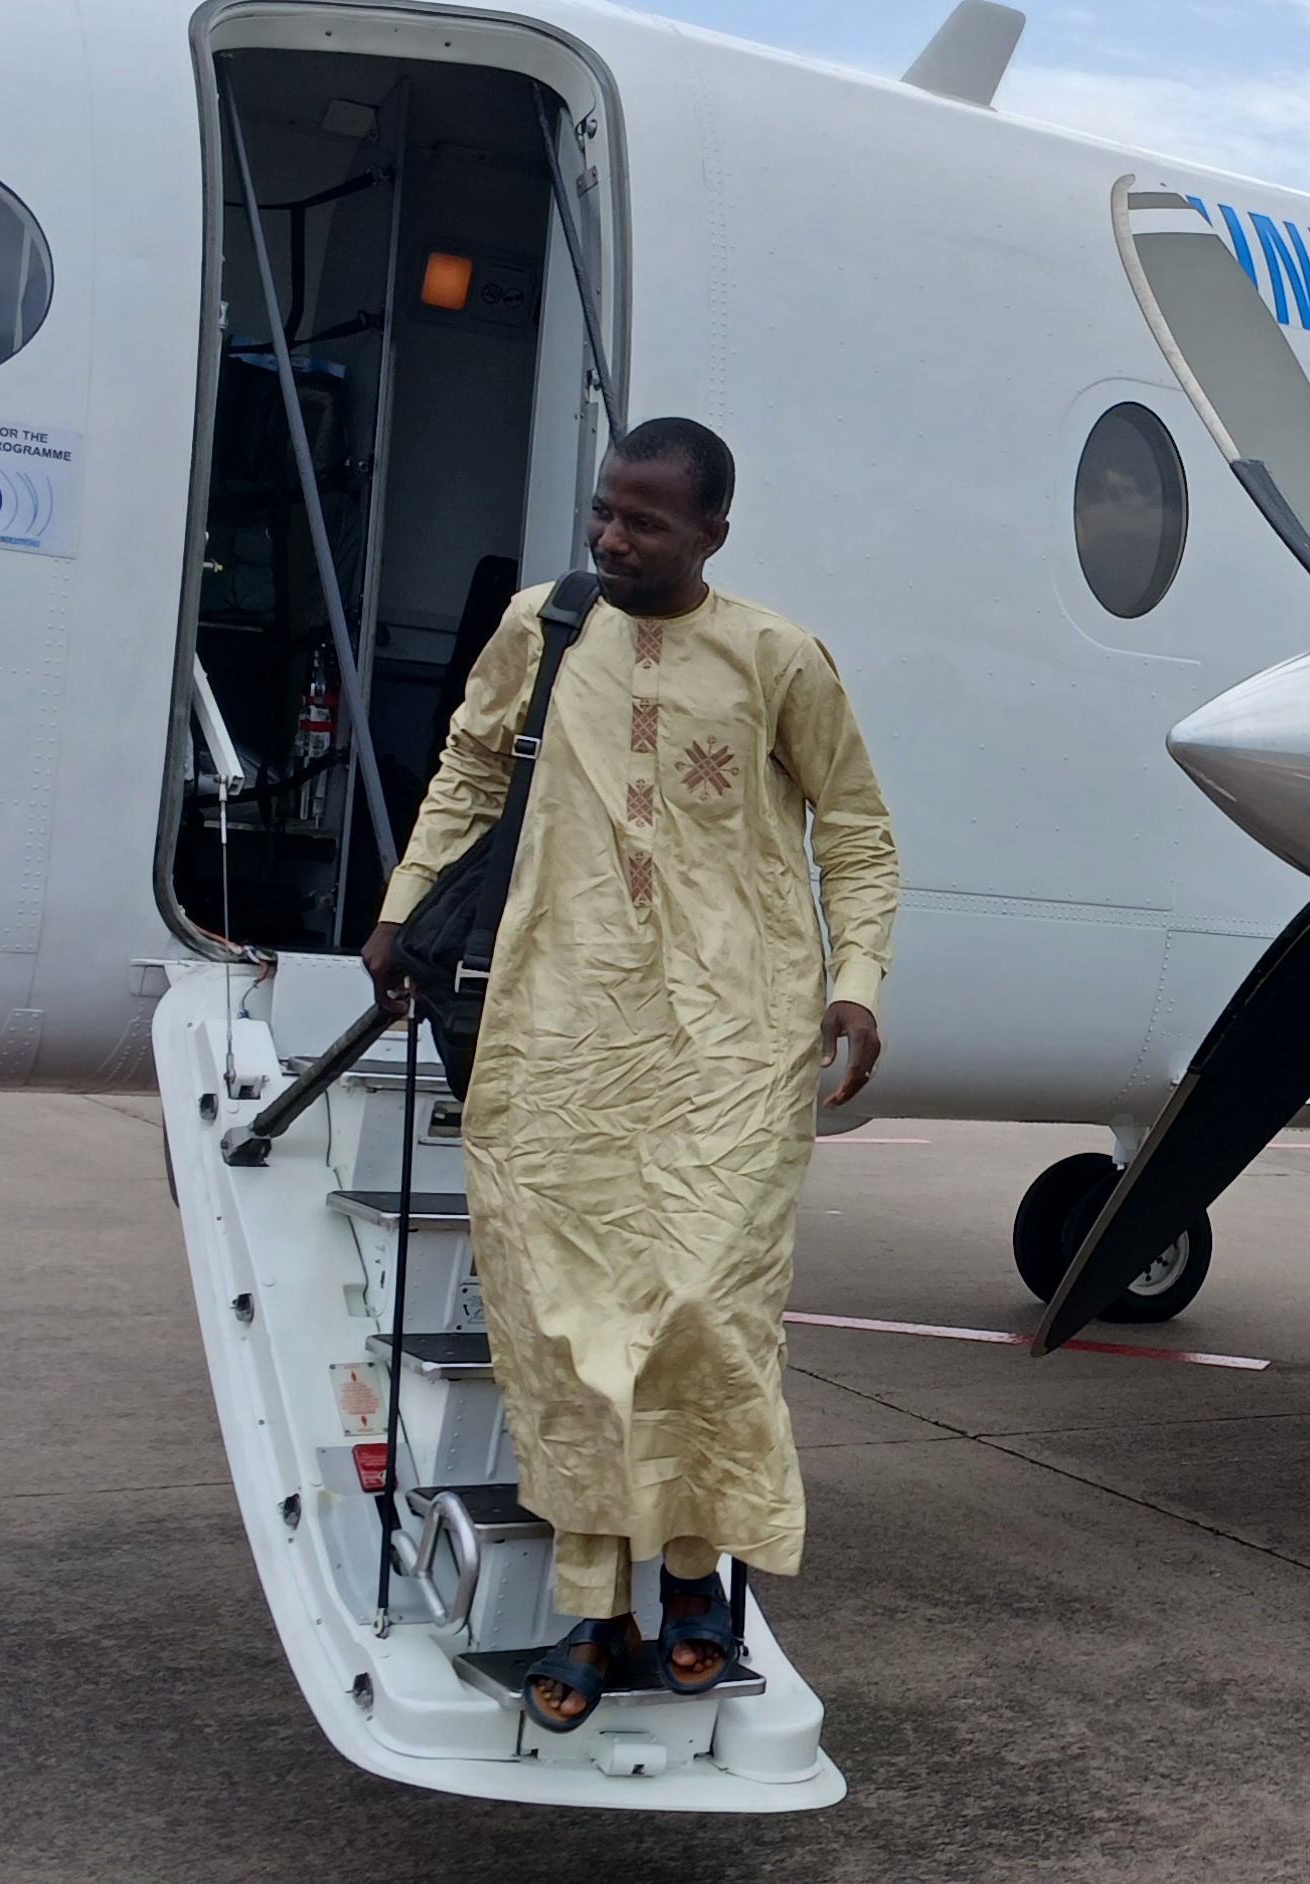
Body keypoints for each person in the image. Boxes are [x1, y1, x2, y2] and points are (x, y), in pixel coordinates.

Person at [360, 417, 899, 1730]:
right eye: (607, 511)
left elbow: (861, 830)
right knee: (568, 1333)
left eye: (647, 520)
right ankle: (598, 1615)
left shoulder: (777, 655)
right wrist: (403, 900)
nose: (615, 535)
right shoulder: (548, 627)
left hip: (734, 1031)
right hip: (560, 1022)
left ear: (713, 530)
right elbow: (472, 766)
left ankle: (700, 1575)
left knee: (702, 1310)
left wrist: (856, 983)